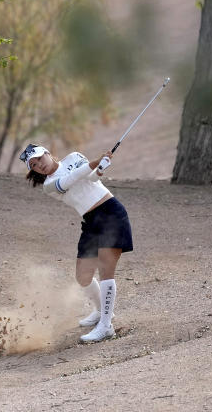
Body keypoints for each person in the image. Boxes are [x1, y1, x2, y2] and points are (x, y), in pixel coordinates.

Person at [20, 143, 134, 343]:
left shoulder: (73, 157)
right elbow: (69, 180)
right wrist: (95, 163)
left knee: (106, 270)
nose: (39, 165)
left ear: (47, 153)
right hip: (90, 221)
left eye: (39, 159)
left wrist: (98, 170)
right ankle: (101, 311)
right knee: (83, 277)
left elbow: (89, 178)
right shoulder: (49, 185)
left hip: (110, 213)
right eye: (34, 165)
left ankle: (106, 326)